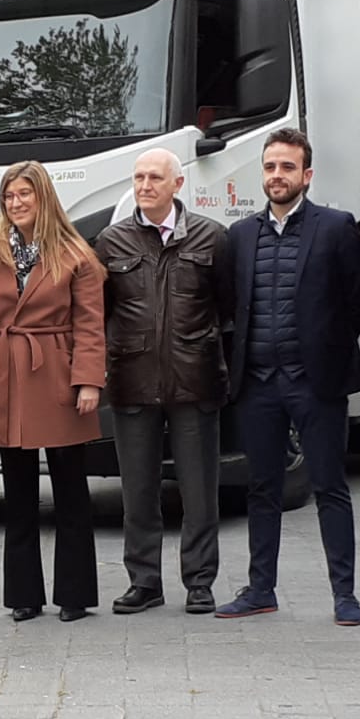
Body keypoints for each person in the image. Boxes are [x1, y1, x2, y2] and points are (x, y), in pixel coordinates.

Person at [213, 128, 360, 626]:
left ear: (306, 175)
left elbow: (357, 302)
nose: (276, 176)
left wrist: (324, 351)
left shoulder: (335, 227)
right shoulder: (238, 236)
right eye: (269, 167)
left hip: (314, 382)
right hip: (257, 384)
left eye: (286, 167)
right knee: (262, 488)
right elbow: (227, 305)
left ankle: (344, 594)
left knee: (329, 486)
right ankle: (261, 588)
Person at [0, 160, 105, 622]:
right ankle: (24, 595)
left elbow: (90, 325)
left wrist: (88, 381)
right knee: (18, 492)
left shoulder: (76, 255)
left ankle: (75, 595)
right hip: (5, 376)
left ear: (43, 197)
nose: (16, 203)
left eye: (24, 194)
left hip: (57, 374)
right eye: (9, 196)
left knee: (70, 490)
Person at [97, 147, 233, 616]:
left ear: (178, 184)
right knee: (137, 491)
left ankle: (199, 582)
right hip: (133, 380)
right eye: (138, 177)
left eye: (155, 177)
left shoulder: (213, 237)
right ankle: (144, 582)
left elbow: (228, 309)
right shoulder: (111, 242)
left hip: (194, 381)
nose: (145, 185)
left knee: (199, 490)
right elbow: (102, 313)